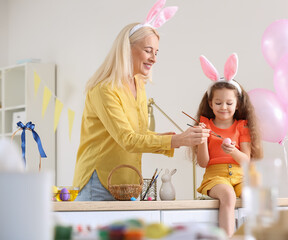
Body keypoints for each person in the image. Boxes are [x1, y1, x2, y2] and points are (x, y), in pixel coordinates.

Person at [73, 1, 210, 201]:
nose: (154, 58)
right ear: (127, 49)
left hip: (127, 182)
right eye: (148, 50)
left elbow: (140, 135)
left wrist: (180, 139)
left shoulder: (139, 84)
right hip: (99, 183)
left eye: (156, 52)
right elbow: (128, 139)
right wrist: (178, 140)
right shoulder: (104, 90)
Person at [192, 53, 263, 237]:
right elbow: (203, 162)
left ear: (238, 104)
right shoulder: (205, 125)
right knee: (228, 196)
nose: (224, 107)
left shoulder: (242, 126)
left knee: (255, 193)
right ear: (210, 104)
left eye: (229, 103)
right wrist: (201, 140)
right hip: (215, 177)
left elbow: (246, 161)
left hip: (240, 175)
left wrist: (234, 151)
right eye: (218, 103)